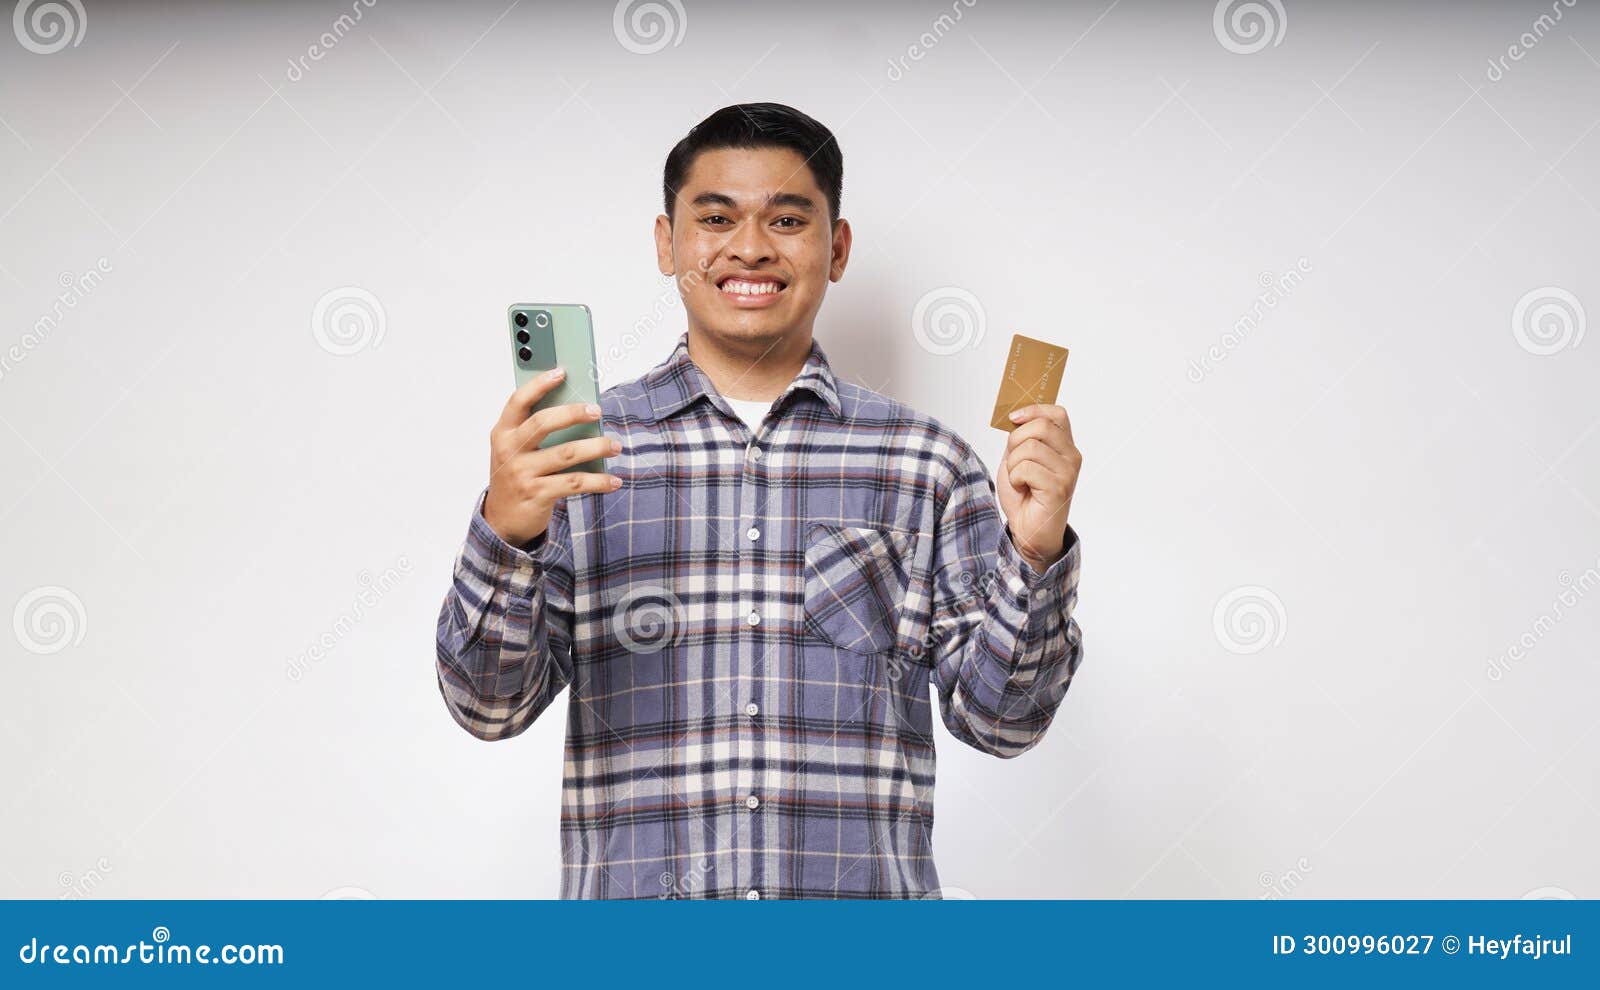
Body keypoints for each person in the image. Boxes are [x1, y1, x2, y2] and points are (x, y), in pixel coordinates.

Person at [435, 102, 1084, 899]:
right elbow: (487, 708)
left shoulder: (926, 464)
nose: (750, 248)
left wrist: (1036, 553)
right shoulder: (575, 461)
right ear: (668, 244)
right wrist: (509, 532)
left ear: (836, 248)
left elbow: (1004, 721)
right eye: (716, 218)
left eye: (786, 219)